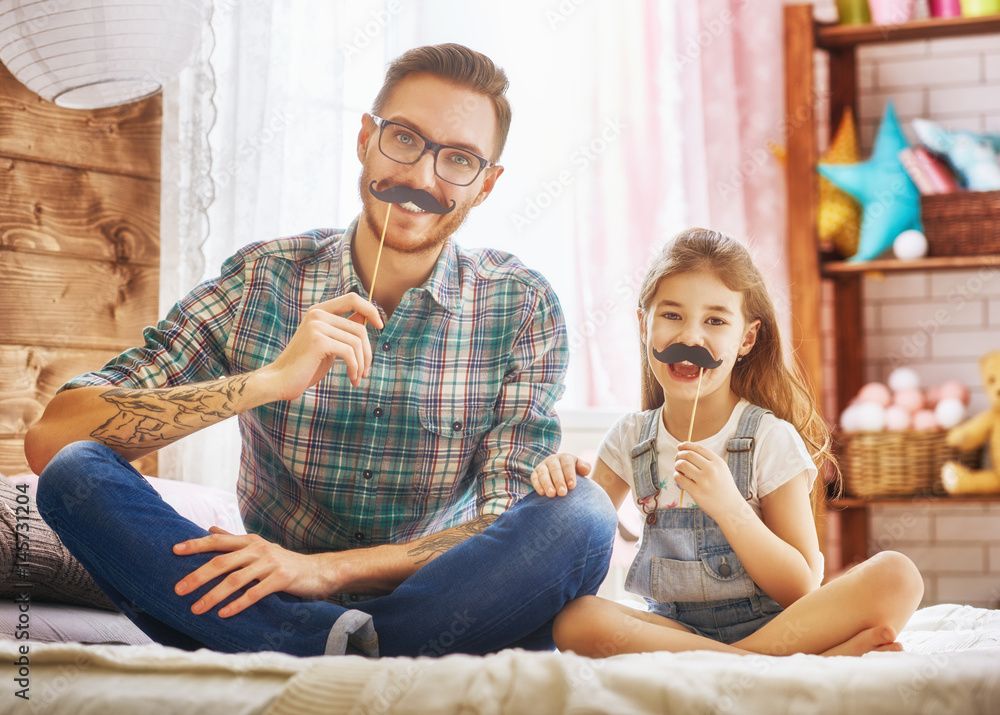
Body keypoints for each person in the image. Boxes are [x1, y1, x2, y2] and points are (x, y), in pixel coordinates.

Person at [24, 43, 617, 658]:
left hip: (442, 598)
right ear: (365, 138)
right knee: (74, 475)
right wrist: (269, 380)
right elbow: (52, 440)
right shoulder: (262, 277)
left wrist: (322, 571)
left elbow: (505, 520)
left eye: (459, 159)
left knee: (583, 514)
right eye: (405, 139)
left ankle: (312, 647)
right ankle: (350, 648)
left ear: (486, 185)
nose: (420, 178)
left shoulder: (520, 305)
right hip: (266, 597)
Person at [529, 228, 924, 657]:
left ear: (746, 340)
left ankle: (746, 661)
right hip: (673, 632)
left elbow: (801, 587)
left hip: (779, 625)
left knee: (897, 576)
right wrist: (561, 481)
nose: (691, 339)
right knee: (575, 620)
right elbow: (575, 546)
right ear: (643, 325)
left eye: (715, 321)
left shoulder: (770, 438)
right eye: (672, 316)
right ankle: (760, 665)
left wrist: (730, 507)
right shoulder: (629, 438)